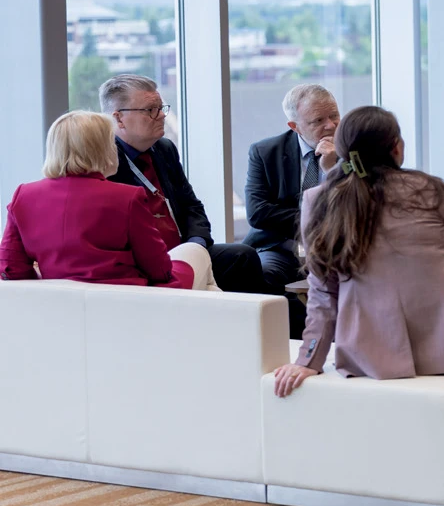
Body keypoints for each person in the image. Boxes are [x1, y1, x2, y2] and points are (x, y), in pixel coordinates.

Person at [273, 106, 444, 396]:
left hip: (377, 348)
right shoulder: (430, 187)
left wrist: (307, 360)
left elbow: (323, 291)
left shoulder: (318, 199)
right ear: (397, 147)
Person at [1, 111, 213, 290]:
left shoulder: (23, 196)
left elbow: (11, 268)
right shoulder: (127, 197)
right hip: (129, 301)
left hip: (59, 305)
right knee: (197, 253)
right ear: (102, 149)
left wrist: (53, 281)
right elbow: (160, 270)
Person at [101, 74, 264, 293]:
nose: (161, 117)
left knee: (242, 256)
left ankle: (250, 326)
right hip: (142, 261)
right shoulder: (105, 161)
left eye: (161, 108)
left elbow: (191, 206)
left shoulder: (164, 149)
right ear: (119, 118)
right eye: (151, 110)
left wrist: (196, 245)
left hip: (185, 251)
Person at [244, 84, 340, 336]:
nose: (330, 125)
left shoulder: (352, 151)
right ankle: (288, 343)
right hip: (282, 245)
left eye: (334, 116)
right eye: (318, 120)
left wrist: (335, 168)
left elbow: (359, 203)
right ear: (294, 126)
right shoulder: (265, 152)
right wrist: (316, 218)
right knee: (264, 275)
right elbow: (258, 212)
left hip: (338, 246)